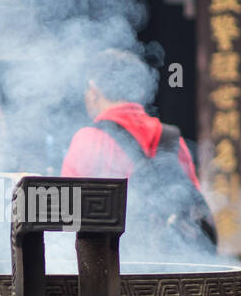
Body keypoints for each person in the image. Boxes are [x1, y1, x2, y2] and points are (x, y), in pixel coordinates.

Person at [61, 48, 217, 253]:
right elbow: (191, 206)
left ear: (94, 90)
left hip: (111, 263)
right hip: (170, 263)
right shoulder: (171, 138)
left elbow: (67, 216)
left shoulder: (88, 140)